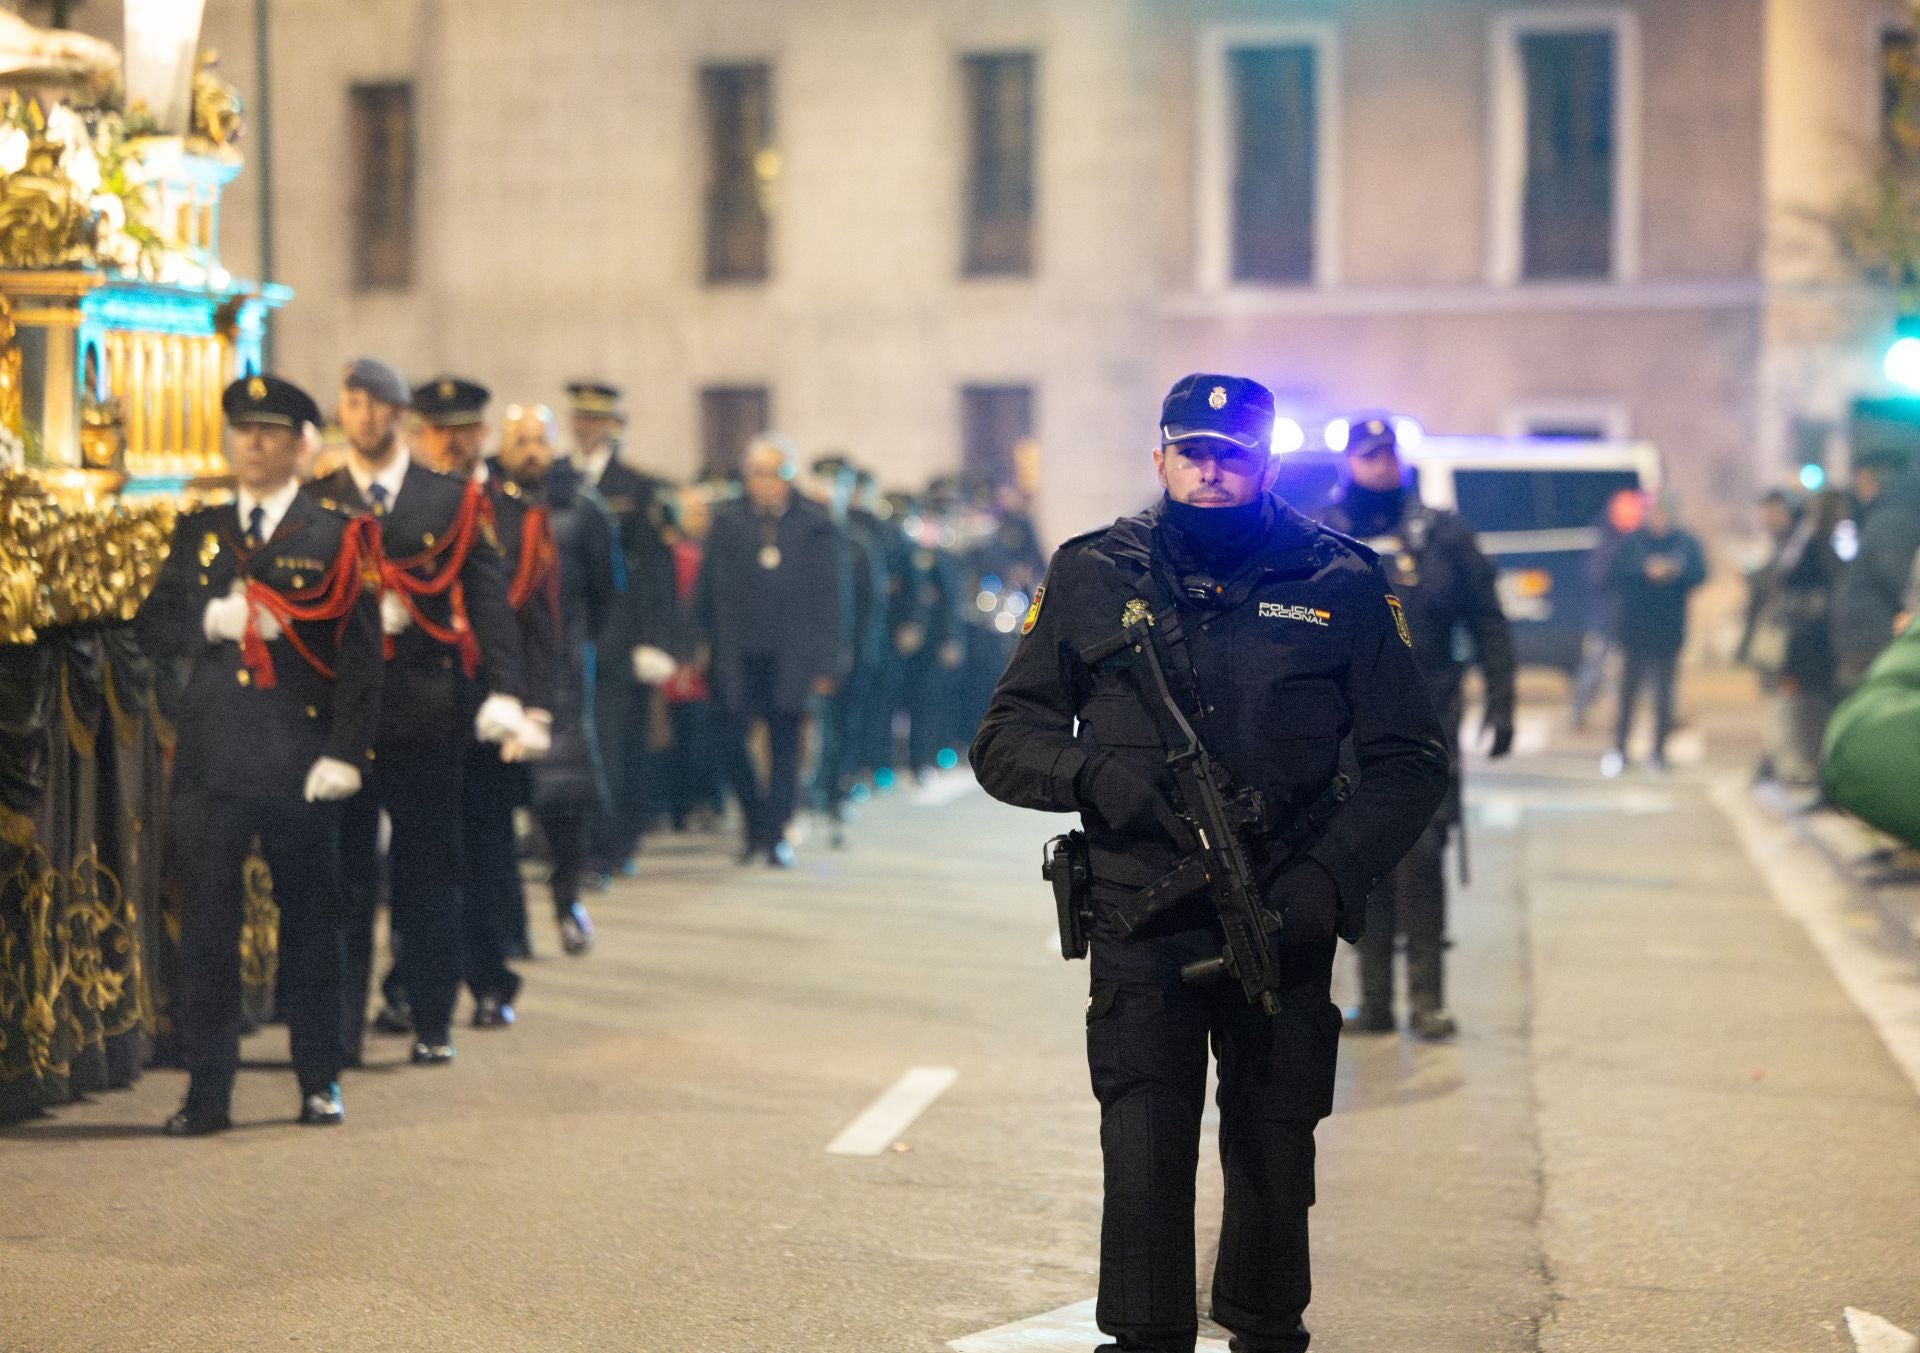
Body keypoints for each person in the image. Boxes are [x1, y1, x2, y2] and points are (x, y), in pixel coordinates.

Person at [972, 373, 1449, 1353]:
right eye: (1192, 451)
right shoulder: (1092, 572)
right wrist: (1092, 773)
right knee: (1143, 1152)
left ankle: (1266, 1330)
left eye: (1233, 455)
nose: (1211, 470)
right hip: (1140, 919)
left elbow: (1409, 760)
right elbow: (1005, 738)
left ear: (1266, 463)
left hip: (1283, 916)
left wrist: (1328, 877)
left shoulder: (1340, 580)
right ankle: (1144, 1339)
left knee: (1274, 1149)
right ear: (1160, 458)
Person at [135, 375, 382, 1134]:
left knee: (311, 921)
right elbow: (152, 626)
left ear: (302, 446)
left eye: (270, 431)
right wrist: (209, 619)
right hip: (214, 759)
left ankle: (318, 1076)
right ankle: (207, 1090)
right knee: (208, 928)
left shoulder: (333, 535)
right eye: (243, 430)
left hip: (298, 757)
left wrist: (346, 751)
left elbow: (362, 657)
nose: (252, 443)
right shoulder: (202, 530)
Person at [305, 357, 534, 1066]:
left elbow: (489, 598)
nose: (364, 416)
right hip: (340, 715)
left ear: (400, 415)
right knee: (342, 876)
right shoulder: (321, 497)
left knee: (428, 872)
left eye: (377, 404)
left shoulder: (448, 498)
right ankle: (340, 1030)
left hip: (423, 708)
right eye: (353, 402)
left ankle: (433, 1017)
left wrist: (506, 689)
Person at [1317, 412, 1515, 1039]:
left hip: (1426, 716)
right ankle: (1374, 999)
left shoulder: (1443, 534)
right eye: (1368, 455)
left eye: (1388, 454)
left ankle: (1427, 998)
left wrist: (1502, 702)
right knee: (1360, 853)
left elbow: (1488, 620)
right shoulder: (1322, 532)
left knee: (1423, 852)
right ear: (1349, 462)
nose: (1381, 465)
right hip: (1346, 724)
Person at [410, 377, 562, 1025]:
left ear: (482, 436)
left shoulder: (516, 516)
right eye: (438, 431)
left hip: (488, 697)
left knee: (488, 848)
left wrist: (534, 708)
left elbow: (539, 622)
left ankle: (491, 979)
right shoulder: (405, 506)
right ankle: (412, 983)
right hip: (418, 696)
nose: (450, 443)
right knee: (422, 852)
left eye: (463, 431)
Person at [696, 434, 848, 867]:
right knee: (730, 738)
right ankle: (754, 823)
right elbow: (707, 586)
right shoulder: (727, 520)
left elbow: (833, 597)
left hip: (791, 654)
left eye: (775, 473)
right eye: (757, 473)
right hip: (737, 652)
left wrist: (830, 660)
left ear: (790, 476)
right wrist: (692, 641)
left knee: (785, 746)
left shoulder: (816, 522)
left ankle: (776, 832)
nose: (766, 483)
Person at [565, 381, 678, 884]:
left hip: (619, 635)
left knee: (614, 747)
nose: (587, 427)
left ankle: (609, 846)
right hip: (572, 633)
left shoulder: (636, 486)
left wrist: (657, 639)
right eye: (581, 417)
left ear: (612, 426)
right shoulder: (559, 478)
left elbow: (655, 572)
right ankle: (573, 845)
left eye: (597, 419)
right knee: (574, 745)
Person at [1604, 494, 1706, 776]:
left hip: (1668, 629)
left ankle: (1658, 752)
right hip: (1635, 628)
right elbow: (1613, 573)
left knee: (1664, 696)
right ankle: (1620, 749)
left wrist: (1674, 572)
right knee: (1628, 693)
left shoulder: (1684, 542)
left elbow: (1699, 574)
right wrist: (1643, 570)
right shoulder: (1633, 542)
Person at [1831, 448, 1920, 694]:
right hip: (1874, 636)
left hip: (1875, 639)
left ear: (1869, 476)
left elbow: (1898, 579)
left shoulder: (1889, 519)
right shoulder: (1888, 513)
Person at [1569, 487, 1644, 730]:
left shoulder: (1639, 542)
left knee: (1624, 673)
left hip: (1629, 620)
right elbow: (1596, 576)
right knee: (1594, 667)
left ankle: (1621, 718)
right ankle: (1579, 713)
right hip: (1604, 617)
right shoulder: (1606, 540)